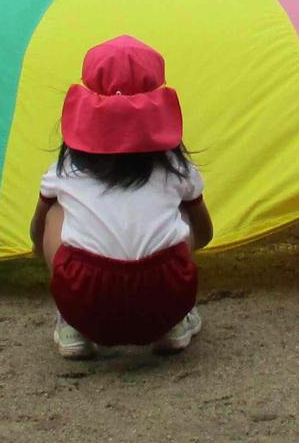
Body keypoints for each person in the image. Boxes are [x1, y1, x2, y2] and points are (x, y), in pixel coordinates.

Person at [31, 36, 212, 359]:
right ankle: (175, 325)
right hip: (166, 300)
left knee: (56, 207)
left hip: (84, 301)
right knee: (181, 211)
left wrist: (46, 256)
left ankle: (72, 326)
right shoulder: (176, 169)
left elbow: (37, 230)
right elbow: (205, 232)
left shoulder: (66, 170)